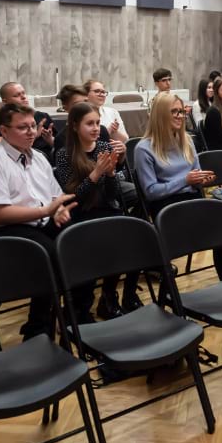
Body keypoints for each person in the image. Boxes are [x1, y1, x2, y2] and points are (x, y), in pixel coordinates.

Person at [0, 103, 83, 338]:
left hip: (36, 223)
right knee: (50, 253)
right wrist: (46, 211)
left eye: (33, 126)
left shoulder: (39, 157)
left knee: (78, 240)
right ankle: (38, 328)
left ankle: (68, 317)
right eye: (23, 128)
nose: (31, 132)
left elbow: (55, 197)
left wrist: (60, 210)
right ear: (3, 131)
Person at [135, 94, 222, 279]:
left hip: (193, 200)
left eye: (181, 111)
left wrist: (202, 179)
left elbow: (195, 173)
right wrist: (186, 180)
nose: (180, 116)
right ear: (160, 115)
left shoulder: (187, 140)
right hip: (168, 210)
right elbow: (151, 192)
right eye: (173, 111)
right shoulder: (144, 148)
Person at [55, 102, 142, 318]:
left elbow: (113, 196)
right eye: (89, 124)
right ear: (74, 126)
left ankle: (109, 296)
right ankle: (79, 308)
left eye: (97, 123)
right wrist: (95, 174)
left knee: (130, 239)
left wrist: (111, 174)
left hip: (105, 209)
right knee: (94, 250)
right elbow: (73, 198)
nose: (95, 128)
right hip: (80, 214)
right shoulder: (64, 154)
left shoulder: (103, 148)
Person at [0, 82, 54, 160]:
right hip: (14, 161)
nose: (23, 97)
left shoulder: (43, 116)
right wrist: (33, 136)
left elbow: (58, 145)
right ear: (5, 102)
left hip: (44, 160)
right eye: (16, 95)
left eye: (23, 93)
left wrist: (50, 139)